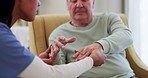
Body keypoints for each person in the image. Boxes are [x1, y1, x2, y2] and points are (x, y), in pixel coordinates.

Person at [0, 0, 106, 78]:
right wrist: (91, 60)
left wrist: (33, 64)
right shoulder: (2, 37)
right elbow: (52, 75)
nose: (39, 3)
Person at [48, 0, 136, 78]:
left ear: (93, 2)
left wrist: (100, 46)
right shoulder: (58, 35)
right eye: (74, 1)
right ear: (67, 4)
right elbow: (60, 73)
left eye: (84, 0)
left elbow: (126, 36)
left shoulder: (109, 19)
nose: (79, 4)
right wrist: (55, 55)